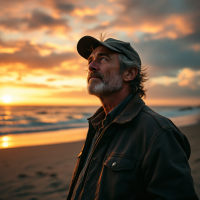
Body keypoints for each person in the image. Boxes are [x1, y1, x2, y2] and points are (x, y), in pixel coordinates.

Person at [67, 35, 199, 200]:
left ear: (129, 73)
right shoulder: (98, 125)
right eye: (90, 61)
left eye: (103, 59)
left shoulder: (159, 133)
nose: (91, 66)